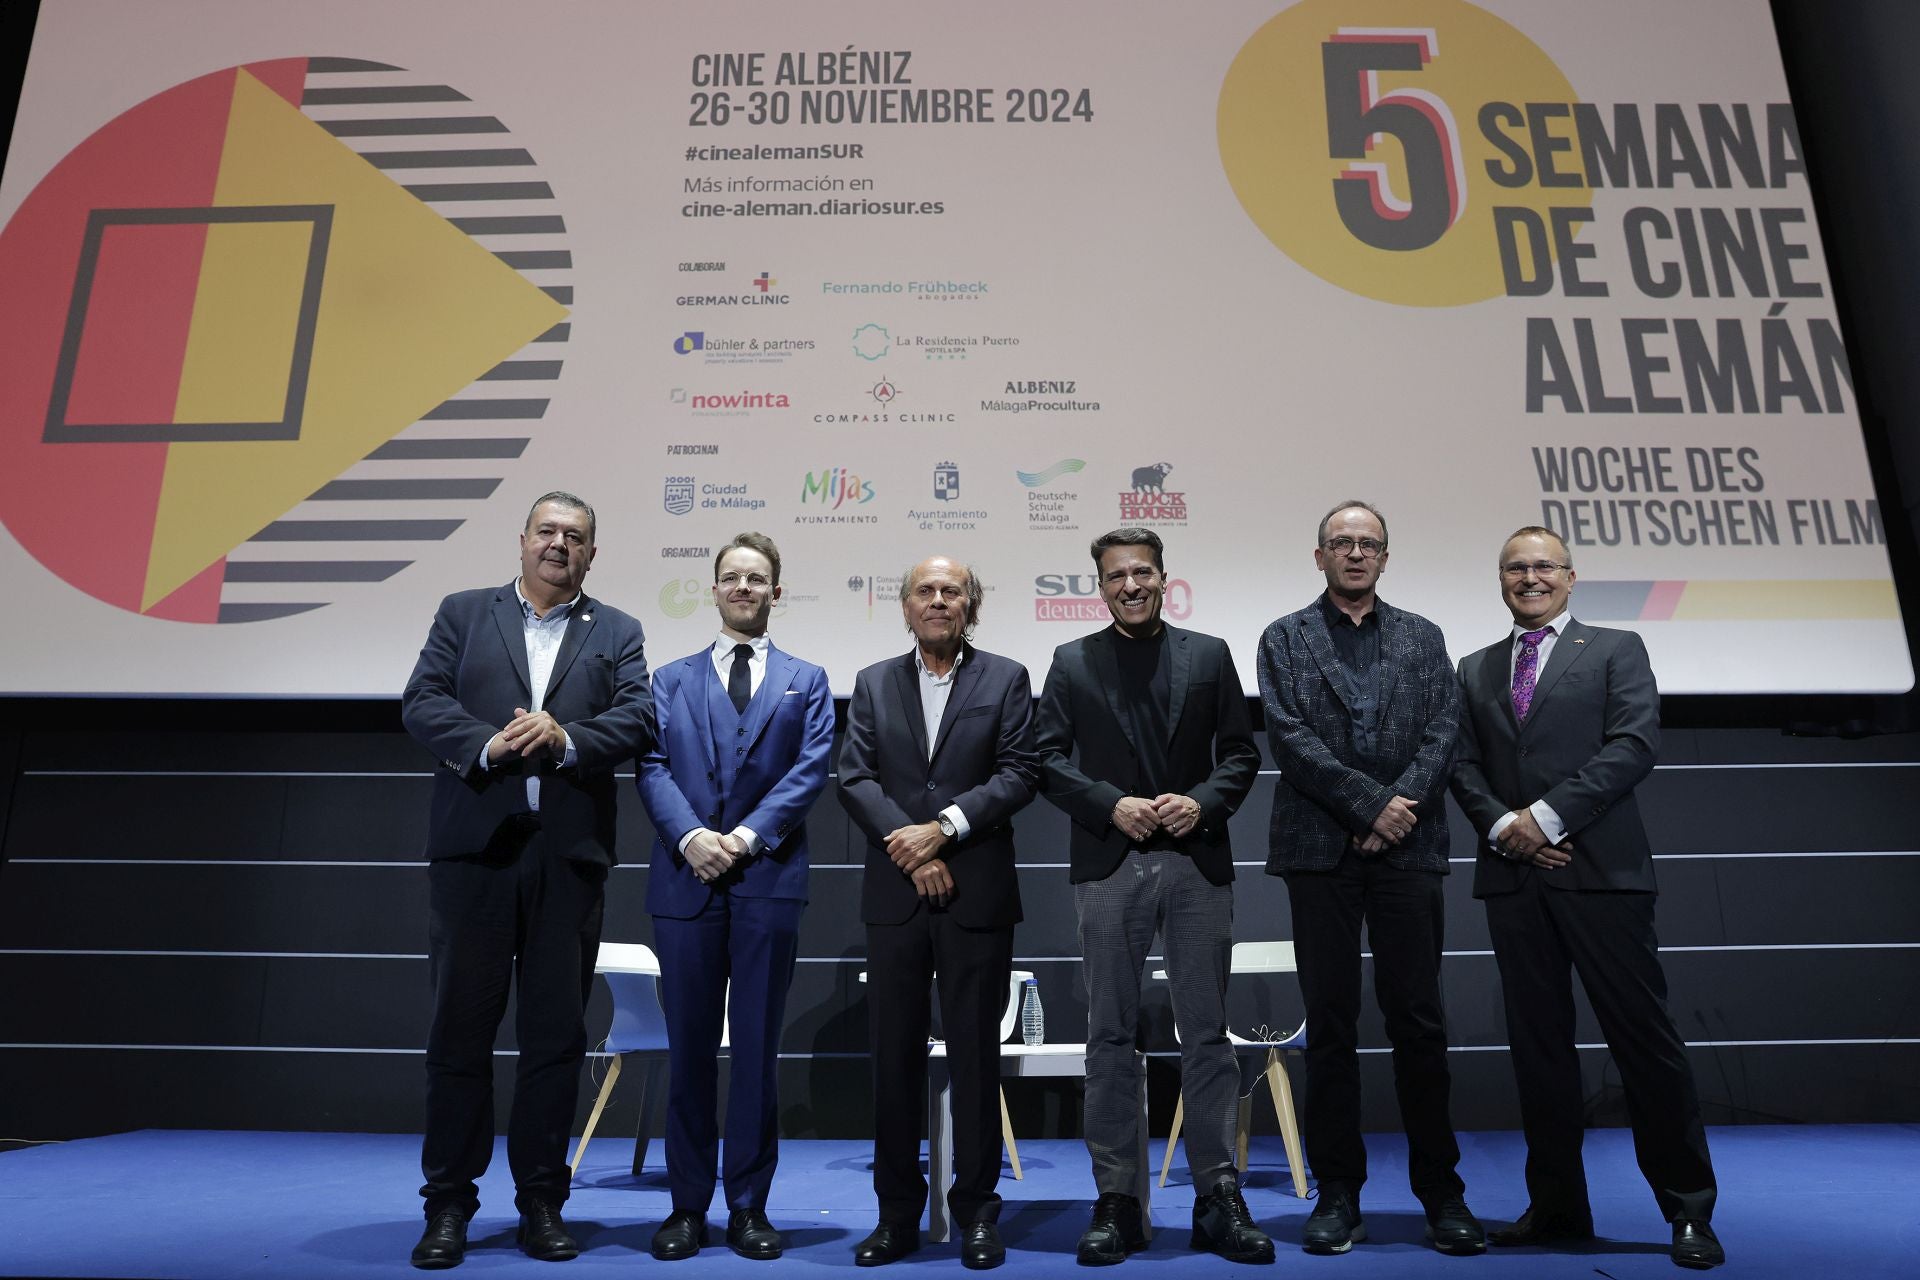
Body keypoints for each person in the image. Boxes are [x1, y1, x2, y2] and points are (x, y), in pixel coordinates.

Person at [1450, 526, 1723, 1270]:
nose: (1529, 577)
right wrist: (1507, 826)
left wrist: (1543, 816)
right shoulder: (1473, 669)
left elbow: (1633, 745)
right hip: (1515, 878)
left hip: (1603, 875)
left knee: (1646, 1045)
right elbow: (1461, 764)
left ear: (1571, 577)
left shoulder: (1616, 649)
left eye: (1543, 566)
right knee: (1539, 1054)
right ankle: (1559, 1206)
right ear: (1500, 580)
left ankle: (1689, 1211)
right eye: (1515, 567)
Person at [400, 491, 654, 1268]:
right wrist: (492, 746)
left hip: (567, 864)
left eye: (575, 537)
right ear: (521, 541)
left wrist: (567, 736)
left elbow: (641, 718)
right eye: (547, 531)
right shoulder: (463, 612)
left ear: (591, 555)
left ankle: (543, 1200)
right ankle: (448, 1207)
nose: (559, 545)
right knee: (459, 1038)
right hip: (477, 857)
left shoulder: (617, 631)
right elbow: (422, 702)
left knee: (555, 1040)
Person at [1032, 528, 1269, 1265]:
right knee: (1109, 1036)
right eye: (1115, 576)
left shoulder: (1210, 654)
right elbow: (1043, 758)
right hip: (1111, 863)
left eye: (1142, 572)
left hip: (1196, 860)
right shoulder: (1072, 662)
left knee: (1205, 1036)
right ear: (1098, 587)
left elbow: (1240, 753)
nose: (1129, 585)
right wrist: (1110, 803)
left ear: (1164, 578)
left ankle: (1217, 1196)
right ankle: (1118, 1200)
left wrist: (1202, 802)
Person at [1255, 500, 1483, 1257]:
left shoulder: (1424, 636)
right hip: (1321, 850)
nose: (1355, 555)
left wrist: (1394, 811)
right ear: (1318, 556)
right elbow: (1289, 737)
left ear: (1385, 558)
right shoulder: (1284, 638)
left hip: (1407, 849)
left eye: (1369, 545)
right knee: (1331, 1026)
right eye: (1341, 544)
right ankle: (1338, 1193)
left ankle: (1441, 1192)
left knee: (1420, 1021)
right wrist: (1368, 803)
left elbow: (1443, 731)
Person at [636, 532, 835, 1262]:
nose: (744, 587)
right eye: (732, 577)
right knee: (688, 1049)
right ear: (713, 590)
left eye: (757, 578)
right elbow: (651, 766)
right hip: (685, 881)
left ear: (775, 592)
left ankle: (749, 1206)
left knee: (755, 1051)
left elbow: (811, 770)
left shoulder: (806, 679)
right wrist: (693, 838)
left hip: (767, 883)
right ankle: (686, 1207)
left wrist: (744, 839)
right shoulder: (667, 680)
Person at [837, 555, 1039, 1271]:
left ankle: (978, 1216)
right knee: (893, 1061)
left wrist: (946, 827)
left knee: (977, 1058)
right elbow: (853, 775)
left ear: (971, 605)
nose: (939, 600)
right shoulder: (871, 682)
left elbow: (1019, 772)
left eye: (952, 591)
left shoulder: (1006, 678)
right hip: (898, 894)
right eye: (926, 590)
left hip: (976, 894)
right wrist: (915, 851)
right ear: (905, 605)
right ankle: (896, 1216)